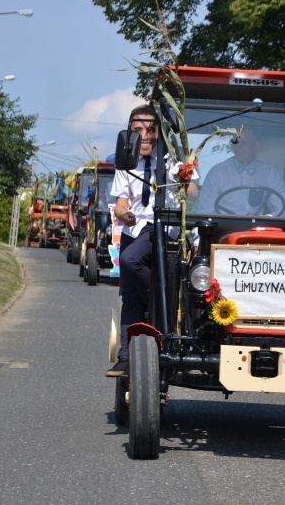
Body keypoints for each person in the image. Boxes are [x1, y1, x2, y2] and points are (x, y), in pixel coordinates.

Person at [106, 104, 198, 377]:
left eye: (150, 130)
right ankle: (125, 357)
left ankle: (162, 305)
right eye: (138, 130)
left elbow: (193, 193)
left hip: (164, 229)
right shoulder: (126, 162)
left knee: (129, 260)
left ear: (160, 132)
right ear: (130, 134)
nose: (144, 136)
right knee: (130, 295)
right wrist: (126, 216)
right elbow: (121, 205)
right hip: (137, 229)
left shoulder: (173, 159)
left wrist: (182, 176)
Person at [195, 130, 285, 216]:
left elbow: (283, 208)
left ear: (255, 145)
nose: (238, 147)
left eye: (243, 143)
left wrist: (265, 220)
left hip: (258, 232)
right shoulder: (217, 173)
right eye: (235, 142)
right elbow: (205, 211)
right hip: (225, 230)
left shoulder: (270, 173)